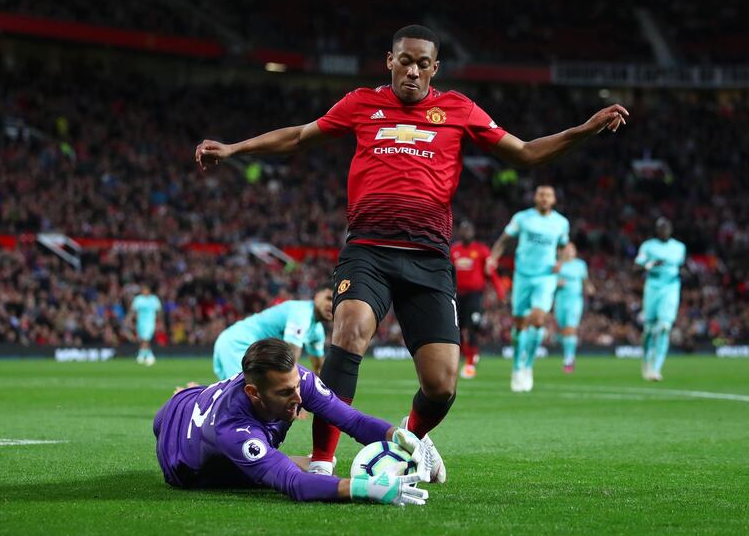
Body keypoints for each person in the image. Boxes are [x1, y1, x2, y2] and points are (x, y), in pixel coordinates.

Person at [195, 24, 628, 477]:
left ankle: (412, 437)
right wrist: (235, 148)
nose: (413, 71)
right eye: (405, 61)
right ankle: (322, 462)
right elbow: (302, 136)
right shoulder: (362, 103)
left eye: (424, 63)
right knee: (349, 329)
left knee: (441, 385)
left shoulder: (458, 109)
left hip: (428, 258)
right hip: (368, 250)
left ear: (434, 68)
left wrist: (584, 129)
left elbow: (525, 153)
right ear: (390, 61)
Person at [154, 338, 435, 506]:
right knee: (254, 473)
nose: (299, 397)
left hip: (201, 399)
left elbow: (351, 419)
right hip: (179, 452)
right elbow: (295, 484)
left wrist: (400, 435)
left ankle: (189, 394)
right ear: (254, 393)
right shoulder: (234, 431)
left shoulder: (295, 379)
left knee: (267, 458)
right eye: (285, 392)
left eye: (297, 385)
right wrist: (364, 488)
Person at [487, 186, 570, 392]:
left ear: (554, 200)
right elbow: (505, 239)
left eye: (548, 195)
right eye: (541, 194)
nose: (544, 198)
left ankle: (528, 367)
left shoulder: (561, 223)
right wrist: (493, 257)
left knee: (538, 319)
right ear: (535, 197)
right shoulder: (522, 218)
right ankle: (516, 367)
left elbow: (564, 247)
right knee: (520, 324)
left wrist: (560, 262)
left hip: (545, 277)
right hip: (523, 276)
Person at [213, 285, 333, 379]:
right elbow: (291, 355)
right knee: (245, 397)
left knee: (229, 400)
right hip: (238, 343)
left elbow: (318, 368)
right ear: (317, 296)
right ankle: (194, 392)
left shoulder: (317, 332)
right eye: (328, 298)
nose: (331, 305)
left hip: (237, 344)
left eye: (335, 302)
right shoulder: (302, 312)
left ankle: (195, 391)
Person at [450, 220, 505, 379]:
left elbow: (492, 274)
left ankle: (470, 362)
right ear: (459, 233)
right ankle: (460, 358)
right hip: (457, 295)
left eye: (468, 230)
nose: (466, 232)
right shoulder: (454, 250)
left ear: (473, 233)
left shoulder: (481, 250)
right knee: (457, 328)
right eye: (463, 230)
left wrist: (500, 292)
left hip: (475, 295)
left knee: (472, 326)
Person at [634, 218, 686, 381]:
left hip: (671, 288)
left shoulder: (679, 247)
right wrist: (649, 265)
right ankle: (646, 361)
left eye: (667, 227)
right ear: (656, 230)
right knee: (649, 329)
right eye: (661, 228)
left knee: (664, 327)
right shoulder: (648, 246)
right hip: (653, 288)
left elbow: (682, 267)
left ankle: (656, 369)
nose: (665, 230)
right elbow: (635, 267)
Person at [553, 242, 595, 373]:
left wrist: (589, 287)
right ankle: (568, 351)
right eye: (567, 249)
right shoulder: (558, 265)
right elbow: (549, 281)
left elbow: (585, 280)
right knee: (562, 331)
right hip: (560, 301)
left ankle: (569, 359)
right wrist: (557, 283)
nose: (569, 251)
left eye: (572, 249)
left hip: (575, 301)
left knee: (570, 329)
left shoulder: (580, 265)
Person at [128, 284, 162, 366]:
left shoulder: (154, 299)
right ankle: (148, 356)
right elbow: (133, 310)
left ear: (149, 291)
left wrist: (160, 322)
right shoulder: (138, 299)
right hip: (140, 322)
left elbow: (159, 311)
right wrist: (129, 319)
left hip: (150, 322)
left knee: (146, 338)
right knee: (143, 339)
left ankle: (143, 356)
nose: (145, 291)